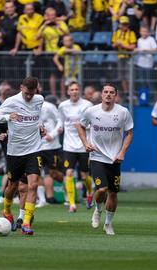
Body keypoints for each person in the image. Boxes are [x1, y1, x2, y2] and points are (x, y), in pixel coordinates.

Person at [77, 83, 133, 235]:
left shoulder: (123, 112)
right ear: (101, 95)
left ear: (116, 95)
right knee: (102, 189)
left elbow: (129, 133)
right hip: (97, 156)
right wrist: (86, 143)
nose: (108, 94)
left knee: (113, 193)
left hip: (115, 158)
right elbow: (80, 125)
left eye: (111, 92)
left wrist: (122, 152)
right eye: (105, 92)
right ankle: (98, 209)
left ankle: (108, 224)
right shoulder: (91, 111)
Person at [0, 76, 44, 235]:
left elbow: (36, 117)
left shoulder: (39, 99)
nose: (29, 96)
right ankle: (7, 210)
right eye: (26, 93)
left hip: (34, 149)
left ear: (36, 90)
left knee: (33, 185)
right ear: (21, 88)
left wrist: (41, 126)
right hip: (15, 151)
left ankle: (26, 222)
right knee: (12, 186)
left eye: (31, 93)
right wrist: (8, 117)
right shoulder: (11, 101)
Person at [58, 81, 93, 212]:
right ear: (68, 92)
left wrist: (82, 126)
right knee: (69, 173)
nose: (74, 91)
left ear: (80, 91)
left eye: (76, 89)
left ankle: (90, 192)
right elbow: (60, 121)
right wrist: (59, 128)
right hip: (69, 146)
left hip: (83, 145)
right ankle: (72, 203)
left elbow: (92, 123)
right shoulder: (63, 106)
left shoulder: (87, 105)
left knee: (84, 175)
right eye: (71, 89)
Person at [111, 16, 136, 95]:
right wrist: (116, 44)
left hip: (129, 58)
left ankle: (131, 93)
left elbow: (133, 46)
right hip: (120, 57)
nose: (124, 26)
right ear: (119, 25)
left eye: (126, 24)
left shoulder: (131, 33)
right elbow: (113, 45)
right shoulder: (116, 33)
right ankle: (126, 93)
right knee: (122, 77)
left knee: (129, 77)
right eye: (122, 24)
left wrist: (122, 45)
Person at [53, 34, 82, 99]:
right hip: (66, 70)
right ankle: (63, 97)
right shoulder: (63, 48)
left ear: (72, 41)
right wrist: (59, 65)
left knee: (76, 84)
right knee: (64, 83)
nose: (66, 42)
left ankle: (78, 97)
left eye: (67, 41)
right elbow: (55, 58)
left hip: (75, 70)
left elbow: (79, 51)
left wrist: (68, 51)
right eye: (64, 41)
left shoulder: (76, 46)